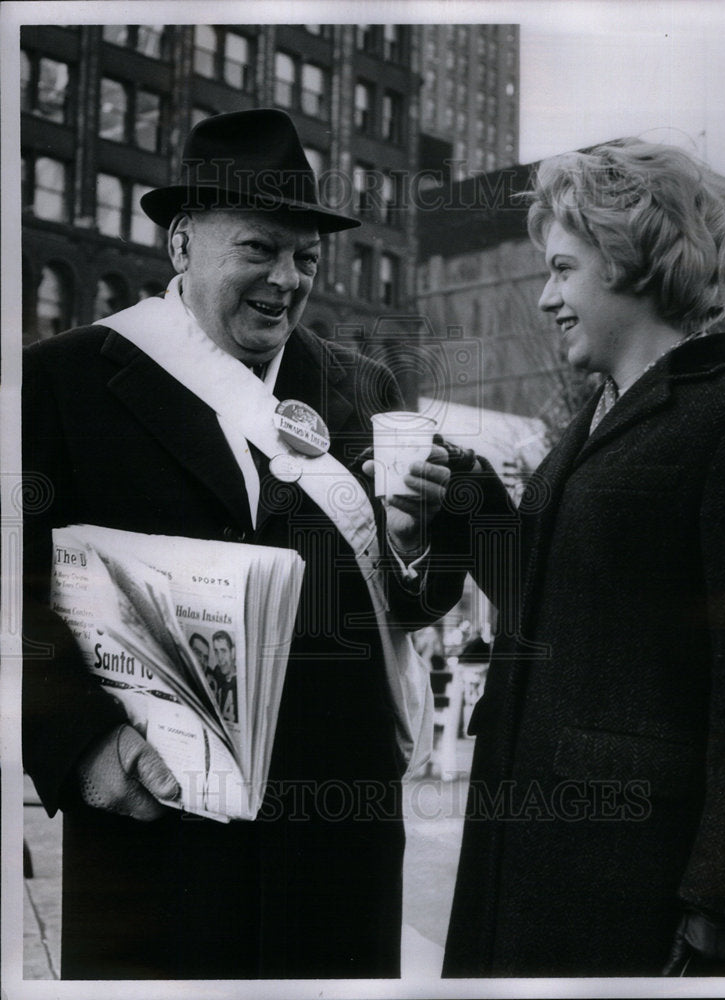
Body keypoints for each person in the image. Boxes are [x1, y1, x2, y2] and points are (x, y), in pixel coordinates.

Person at [22, 109, 470, 979]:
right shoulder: (62, 380)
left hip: (336, 842)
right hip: (160, 841)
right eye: (260, 249)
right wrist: (85, 745)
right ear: (183, 242)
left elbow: (408, 600)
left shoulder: (357, 384)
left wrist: (417, 544)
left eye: (306, 258)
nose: (287, 279)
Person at [442, 139, 725, 977]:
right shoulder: (593, 420)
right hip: (525, 853)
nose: (547, 298)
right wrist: (467, 491)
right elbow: (545, 594)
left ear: (630, 259)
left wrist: (724, 907)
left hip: (627, 877)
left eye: (562, 269)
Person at [211, 630, 238, 723]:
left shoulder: (239, 685)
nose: (220, 658)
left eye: (223, 651)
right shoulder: (216, 673)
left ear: (233, 652)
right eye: (216, 652)